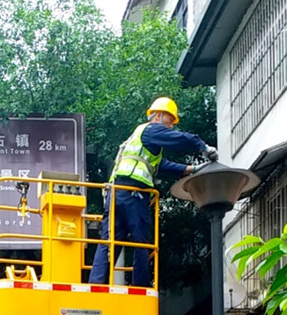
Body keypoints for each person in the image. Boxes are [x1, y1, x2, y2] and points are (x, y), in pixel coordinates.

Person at [89, 97, 217, 287]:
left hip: (116, 192)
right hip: (134, 193)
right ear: (157, 116)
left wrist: (194, 169)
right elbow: (180, 139)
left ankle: (96, 284)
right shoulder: (151, 130)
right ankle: (140, 285)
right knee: (141, 240)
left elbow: (161, 166)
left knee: (110, 240)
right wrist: (203, 147)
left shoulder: (141, 139)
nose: (171, 126)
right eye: (169, 121)